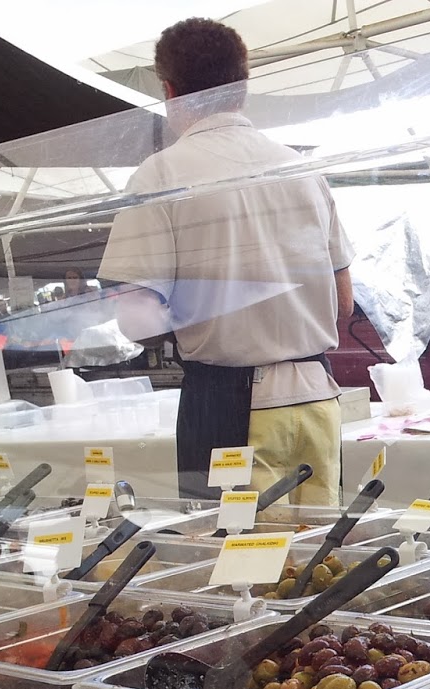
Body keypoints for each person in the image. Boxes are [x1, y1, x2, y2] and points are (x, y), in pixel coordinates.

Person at [98, 17, 354, 503]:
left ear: (169, 90)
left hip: (227, 403)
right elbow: (343, 303)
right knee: (319, 545)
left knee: (235, 548)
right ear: (244, 84)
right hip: (317, 398)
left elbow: (138, 323)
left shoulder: (160, 175)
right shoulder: (303, 169)